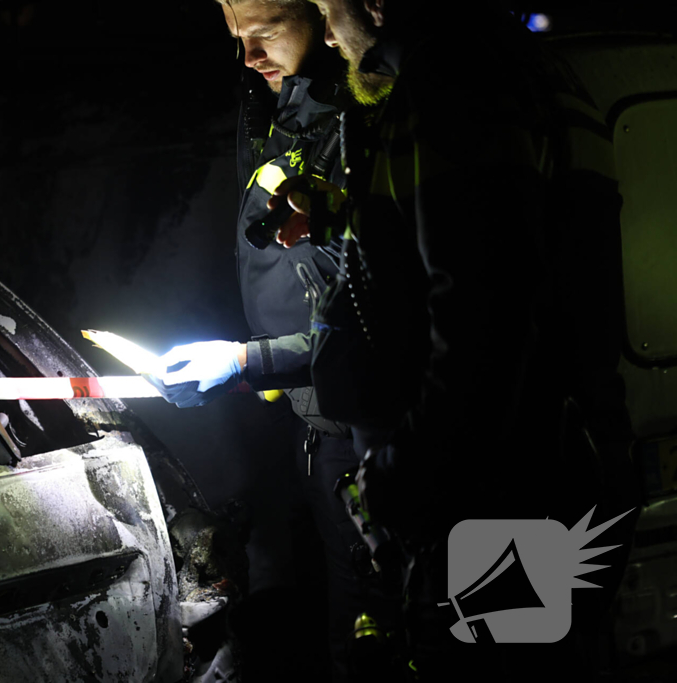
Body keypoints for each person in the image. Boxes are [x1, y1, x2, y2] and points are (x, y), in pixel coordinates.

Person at [267, 0, 641, 679]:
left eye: (329, 11)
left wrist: (398, 479)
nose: (326, 34)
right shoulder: (520, 71)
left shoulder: (456, 82)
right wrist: (345, 213)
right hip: (535, 480)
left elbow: (484, 325)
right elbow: (493, 228)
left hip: (497, 499)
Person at [146, 1, 398, 679]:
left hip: (385, 435)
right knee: (351, 646)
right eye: (237, 38)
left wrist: (244, 362)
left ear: (324, 14)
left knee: (403, 646)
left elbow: (390, 321)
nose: (249, 57)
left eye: (263, 35)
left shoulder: (372, 114)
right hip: (325, 433)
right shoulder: (271, 106)